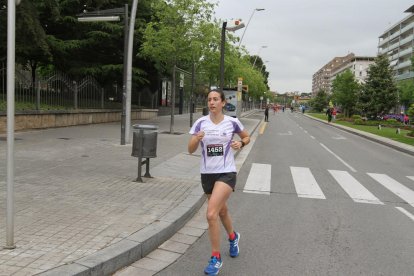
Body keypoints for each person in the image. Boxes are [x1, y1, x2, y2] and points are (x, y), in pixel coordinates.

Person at [188, 90, 250, 275]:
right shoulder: (200, 123)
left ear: (223, 103)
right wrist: (196, 139)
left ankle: (215, 258)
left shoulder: (232, 122)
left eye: (215, 99)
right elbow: (190, 149)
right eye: (209, 100)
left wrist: (241, 143)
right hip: (207, 174)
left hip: (226, 173)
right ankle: (233, 237)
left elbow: (246, 136)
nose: (212, 102)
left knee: (211, 214)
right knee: (222, 210)